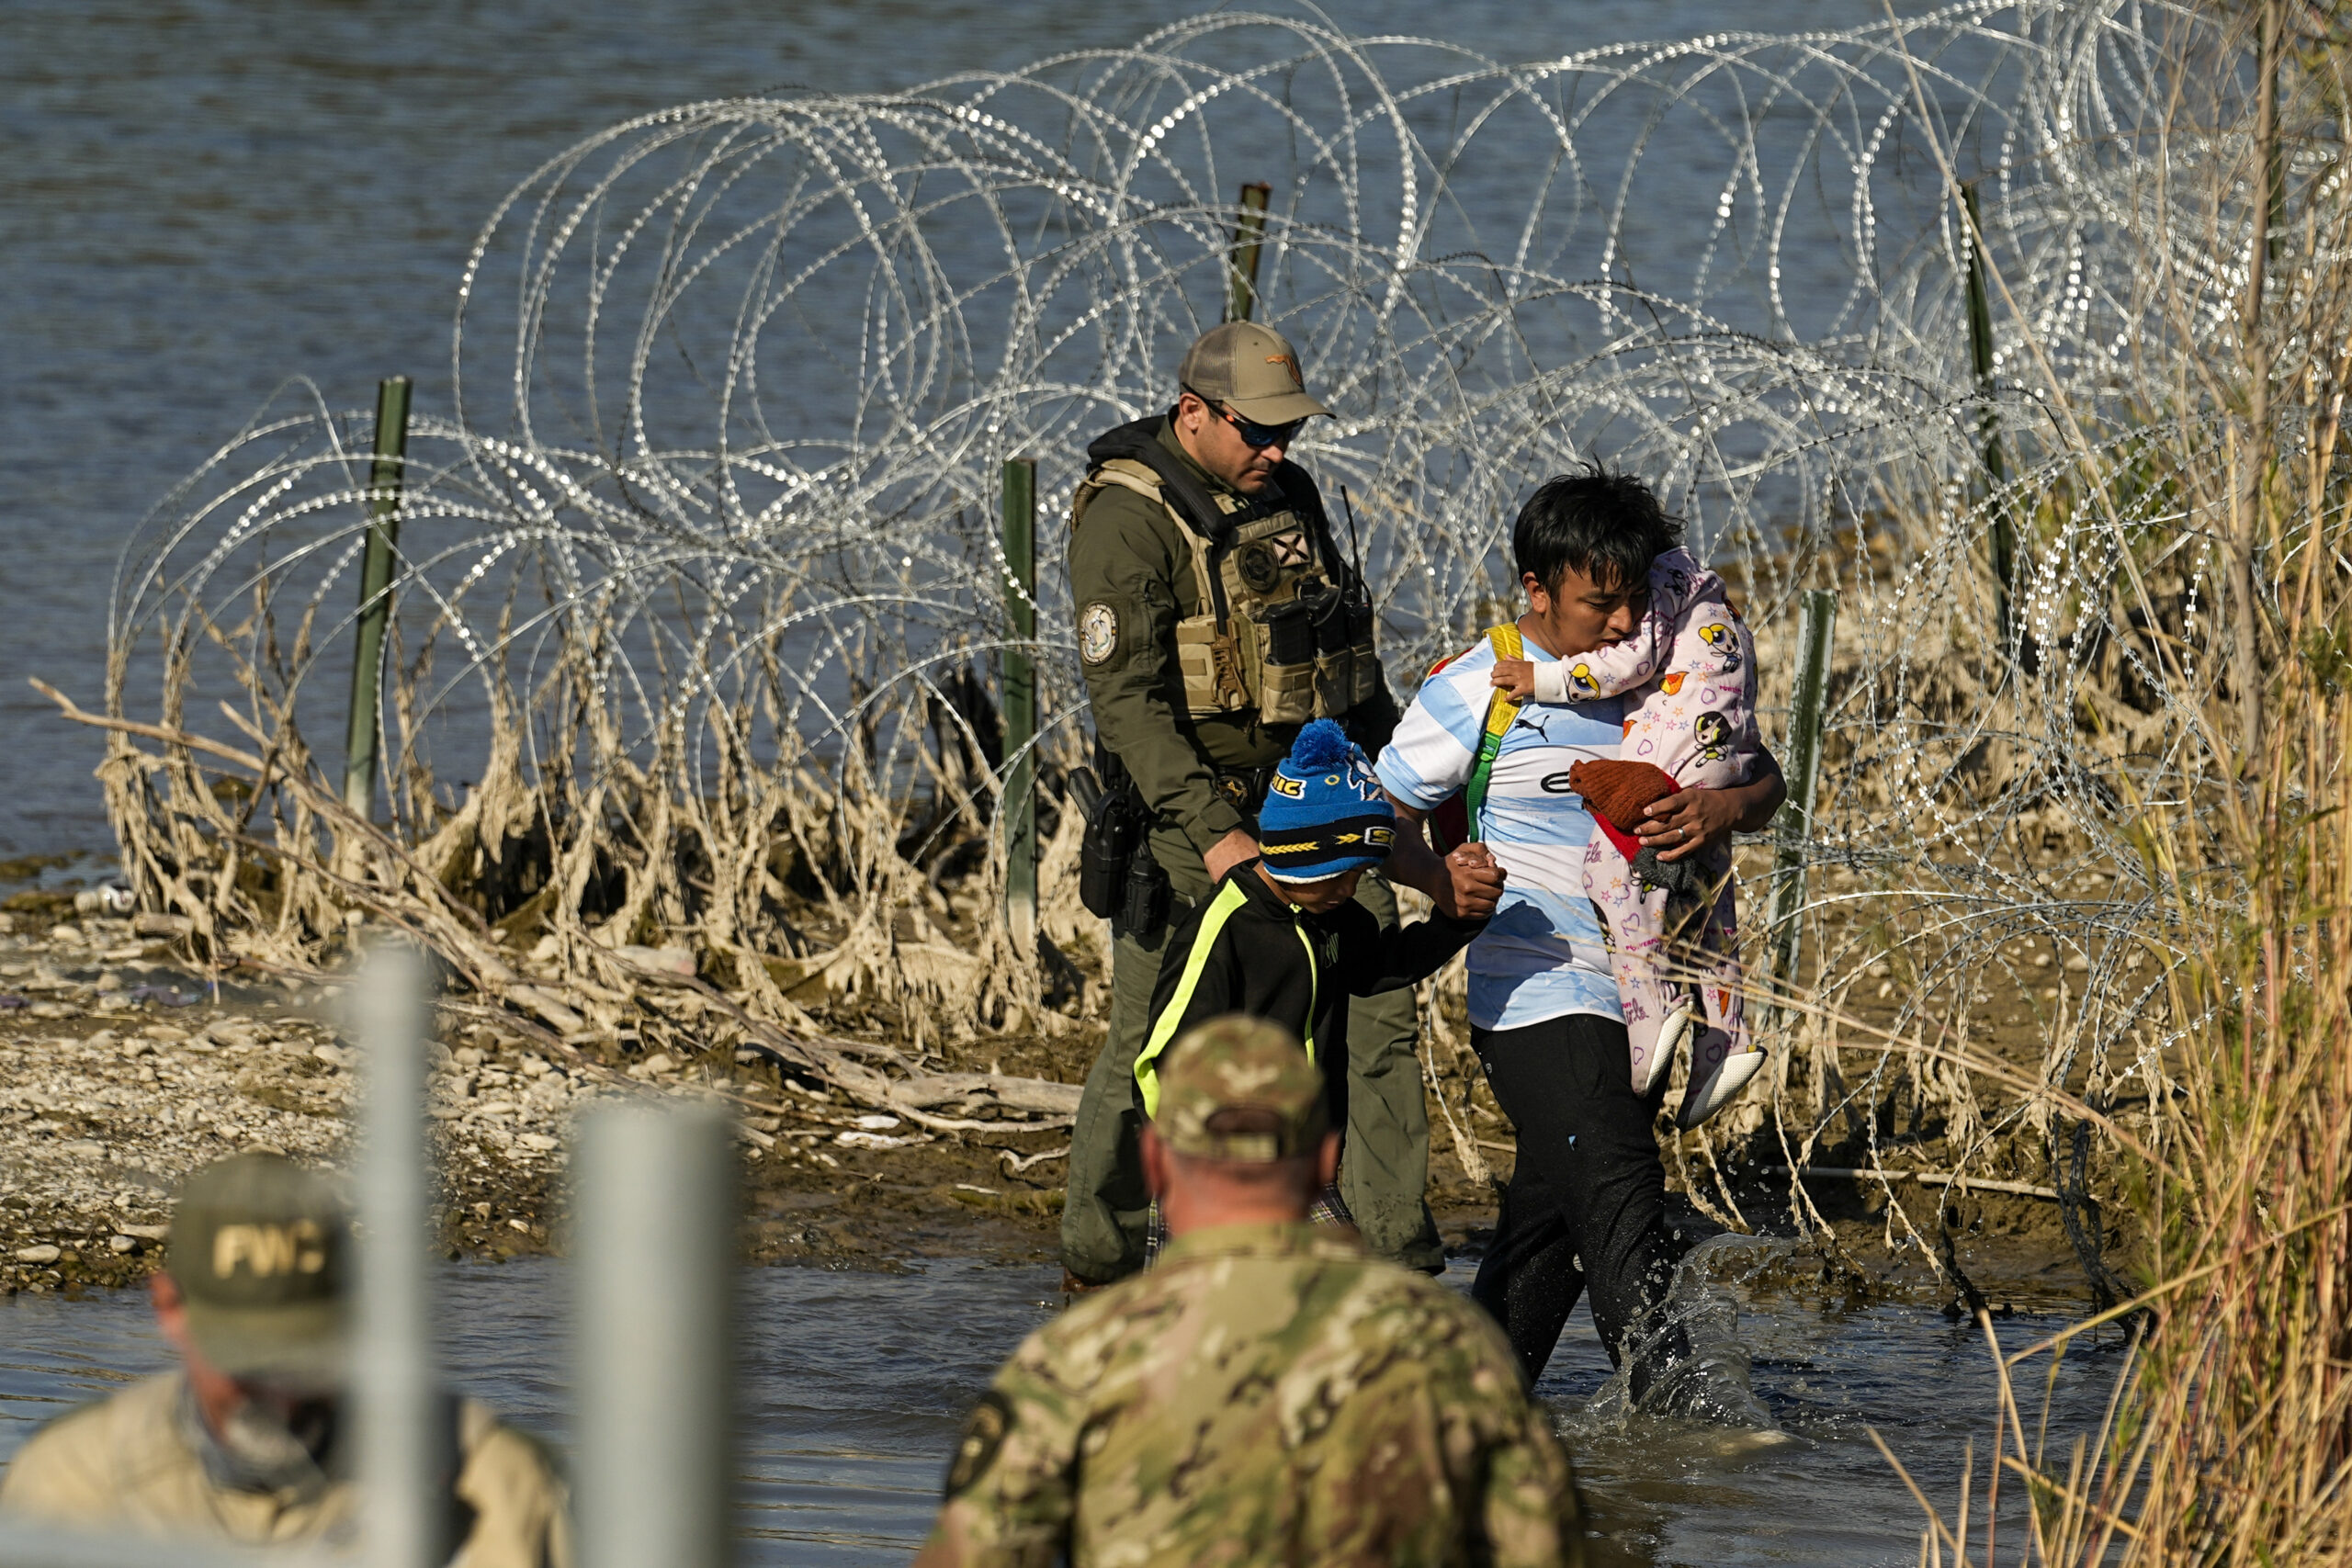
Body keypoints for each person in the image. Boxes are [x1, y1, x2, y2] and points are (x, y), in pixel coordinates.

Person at [1061, 319, 1504, 1286]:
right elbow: (1127, 707)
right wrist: (1218, 838)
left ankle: (1392, 1254)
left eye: (1288, 432)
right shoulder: (1125, 519)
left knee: (1378, 1008)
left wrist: (1409, 781)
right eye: (1256, 431)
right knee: (1154, 1034)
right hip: (1192, 822)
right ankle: (1100, 1257)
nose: (1276, 450)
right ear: (1192, 413)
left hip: (1325, 803)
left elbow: (1341, 659)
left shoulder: (1286, 494)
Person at [1374, 467, 1787, 1399]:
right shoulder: (1478, 685)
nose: (1618, 623)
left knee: (1548, 1228)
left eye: (1635, 598)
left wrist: (1721, 812)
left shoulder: (1665, 668)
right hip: (1536, 984)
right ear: (1536, 589)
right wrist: (1436, 879)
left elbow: (1765, 781)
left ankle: (1457, 1414)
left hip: (1651, 996)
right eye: (1598, 603)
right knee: (1618, 1194)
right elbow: (1373, 816)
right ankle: (1684, 1425)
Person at [917, 1016, 1587, 1568]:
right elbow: (1545, 1544)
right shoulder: (1452, 1348)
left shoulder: (1074, 1361)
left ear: (1153, 1161)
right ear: (1327, 1163)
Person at [0, 1153, 572, 1566]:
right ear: (171, 1308)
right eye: (247, 1358)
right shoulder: (70, 1486)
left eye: (305, 1353)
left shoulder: (498, 1485)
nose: (282, 1395)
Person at [1131, 719, 1495, 1248]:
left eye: (1361, 875)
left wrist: (1455, 922)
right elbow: (1160, 1059)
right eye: (1340, 874)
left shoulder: (1330, 914)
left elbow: (1377, 968)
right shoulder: (1225, 927)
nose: (1350, 889)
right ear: (1299, 856)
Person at [1487, 536, 1768, 1124]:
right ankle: (1727, 1038)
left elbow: (1627, 664)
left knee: (1611, 869)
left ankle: (1653, 1010)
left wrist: (1540, 681)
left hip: (1681, 748)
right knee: (1704, 898)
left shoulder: (1657, 585)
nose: (1622, 615)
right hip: (1723, 750)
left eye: (1626, 597)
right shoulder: (1702, 587)